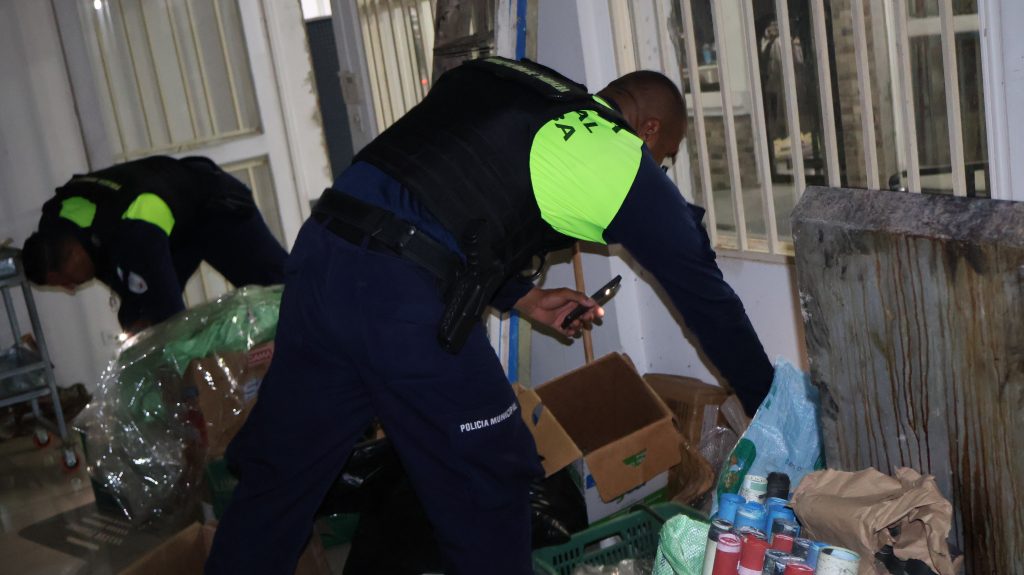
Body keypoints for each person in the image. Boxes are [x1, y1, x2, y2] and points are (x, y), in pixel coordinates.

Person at [206, 57, 773, 575]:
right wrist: (770, 404)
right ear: (648, 130)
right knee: (491, 480)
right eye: (664, 157)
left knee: (280, 482)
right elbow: (707, 298)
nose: (657, 167)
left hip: (322, 259)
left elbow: (440, 193)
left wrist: (522, 296)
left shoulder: (508, 79)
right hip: (398, 294)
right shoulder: (614, 153)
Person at [22, 155, 288, 333]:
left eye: (66, 281)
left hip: (215, 206)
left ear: (72, 255)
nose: (70, 288)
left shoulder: (133, 235)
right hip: (172, 227)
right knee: (138, 320)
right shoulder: (53, 223)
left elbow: (171, 318)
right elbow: (128, 286)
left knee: (284, 292)